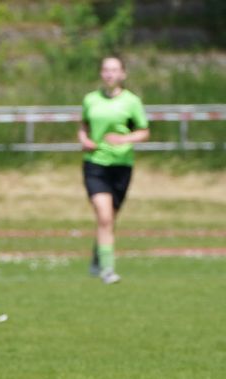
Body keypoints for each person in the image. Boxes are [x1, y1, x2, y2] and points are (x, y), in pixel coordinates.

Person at [77, 55, 149, 284]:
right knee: (105, 216)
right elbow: (83, 125)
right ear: (101, 73)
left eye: (114, 70)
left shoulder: (132, 101)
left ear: (123, 74)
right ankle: (108, 270)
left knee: (109, 219)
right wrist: (84, 139)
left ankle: (97, 258)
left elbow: (144, 131)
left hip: (122, 166)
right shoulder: (90, 99)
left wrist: (123, 139)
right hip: (95, 164)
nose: (110, 74)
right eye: (106, 70)